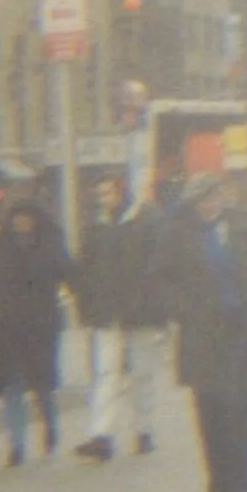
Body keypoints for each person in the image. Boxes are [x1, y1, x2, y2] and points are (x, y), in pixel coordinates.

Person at [158, 172, 247, 492]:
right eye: (203, 202)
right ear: (193, 205)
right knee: (210, 421)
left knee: (237, 418)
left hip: (240, 335)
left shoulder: (246, 226)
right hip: (201, 337)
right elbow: (160, 280)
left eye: (215, 198)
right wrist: (183, 309)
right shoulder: (177, 234)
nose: (210, 206)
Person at [72, 170, 168, 462]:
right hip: (109, 315)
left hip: (140, 313)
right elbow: (84, 271)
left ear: (121, 192)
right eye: (100, 195)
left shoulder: (147, 222)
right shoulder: (97, 227)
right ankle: (102, 435)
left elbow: (159, 268)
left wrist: (156, 308)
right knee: (107, 374)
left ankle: (144, 430)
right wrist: (88, 309)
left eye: (108, 193)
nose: (104, 200)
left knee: (141, 373)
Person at [0, 195, 79, 467]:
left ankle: (49, 429)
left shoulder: (51, 245)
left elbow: (70, 275)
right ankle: (16, 445)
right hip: (10, 326)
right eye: (17, 217)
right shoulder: (2, 246)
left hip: (43, 325)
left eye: (27, 217)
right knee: (12, 385)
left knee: (42, 385)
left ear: (36, 219)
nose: (22, 222)